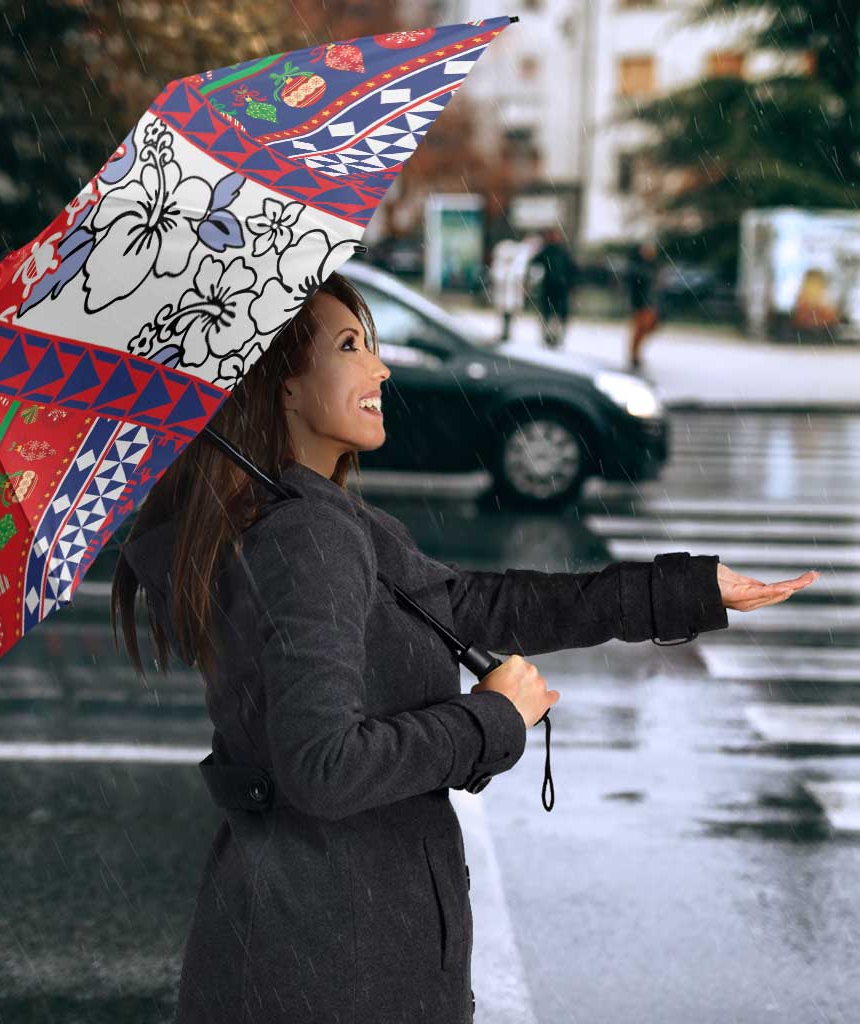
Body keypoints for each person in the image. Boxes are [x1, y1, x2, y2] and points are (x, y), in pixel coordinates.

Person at [112, 271, 817, 1024]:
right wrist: (491, 719)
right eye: (350, 346)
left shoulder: (317, 520)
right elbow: (323, 768)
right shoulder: (305, 536)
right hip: (332, 962)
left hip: (316, 943)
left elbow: (480, 605)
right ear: (282, 386)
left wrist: (686, 590)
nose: (380, 368)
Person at [528, 226, 578, 349]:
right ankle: (549, 337)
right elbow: (534, 264)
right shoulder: (548, 251)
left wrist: (571, 284)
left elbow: (572, 270)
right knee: (549, 314)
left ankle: (555, 337)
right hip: (551, 288)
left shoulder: (561, 252)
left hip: (559, 288)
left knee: (556, 315)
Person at [626, 239, 662, 371]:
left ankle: (636, 354)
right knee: (640, 329)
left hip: (650, 303)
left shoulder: (653, 266)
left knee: (648, 328)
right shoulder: (638, 267)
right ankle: (634, 355)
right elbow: (635, 286)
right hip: (641, 303)